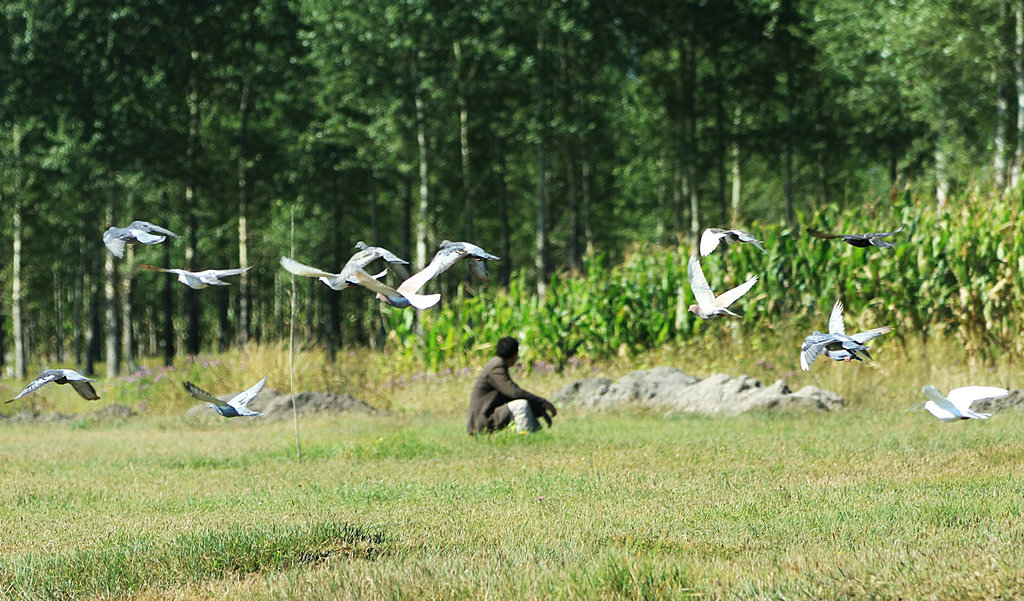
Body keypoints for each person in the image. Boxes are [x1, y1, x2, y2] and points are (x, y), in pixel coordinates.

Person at [467, 336, 557, 435]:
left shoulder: (496, 364)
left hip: (485, 418)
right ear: (514, 355)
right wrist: (542, 402)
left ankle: (537, 436)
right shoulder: (496, 367)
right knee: (521, 406)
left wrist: (539, 410)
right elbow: (514, 393)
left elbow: (510, 396)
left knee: (522, 404)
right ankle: (527, 439)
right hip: (480, 423)